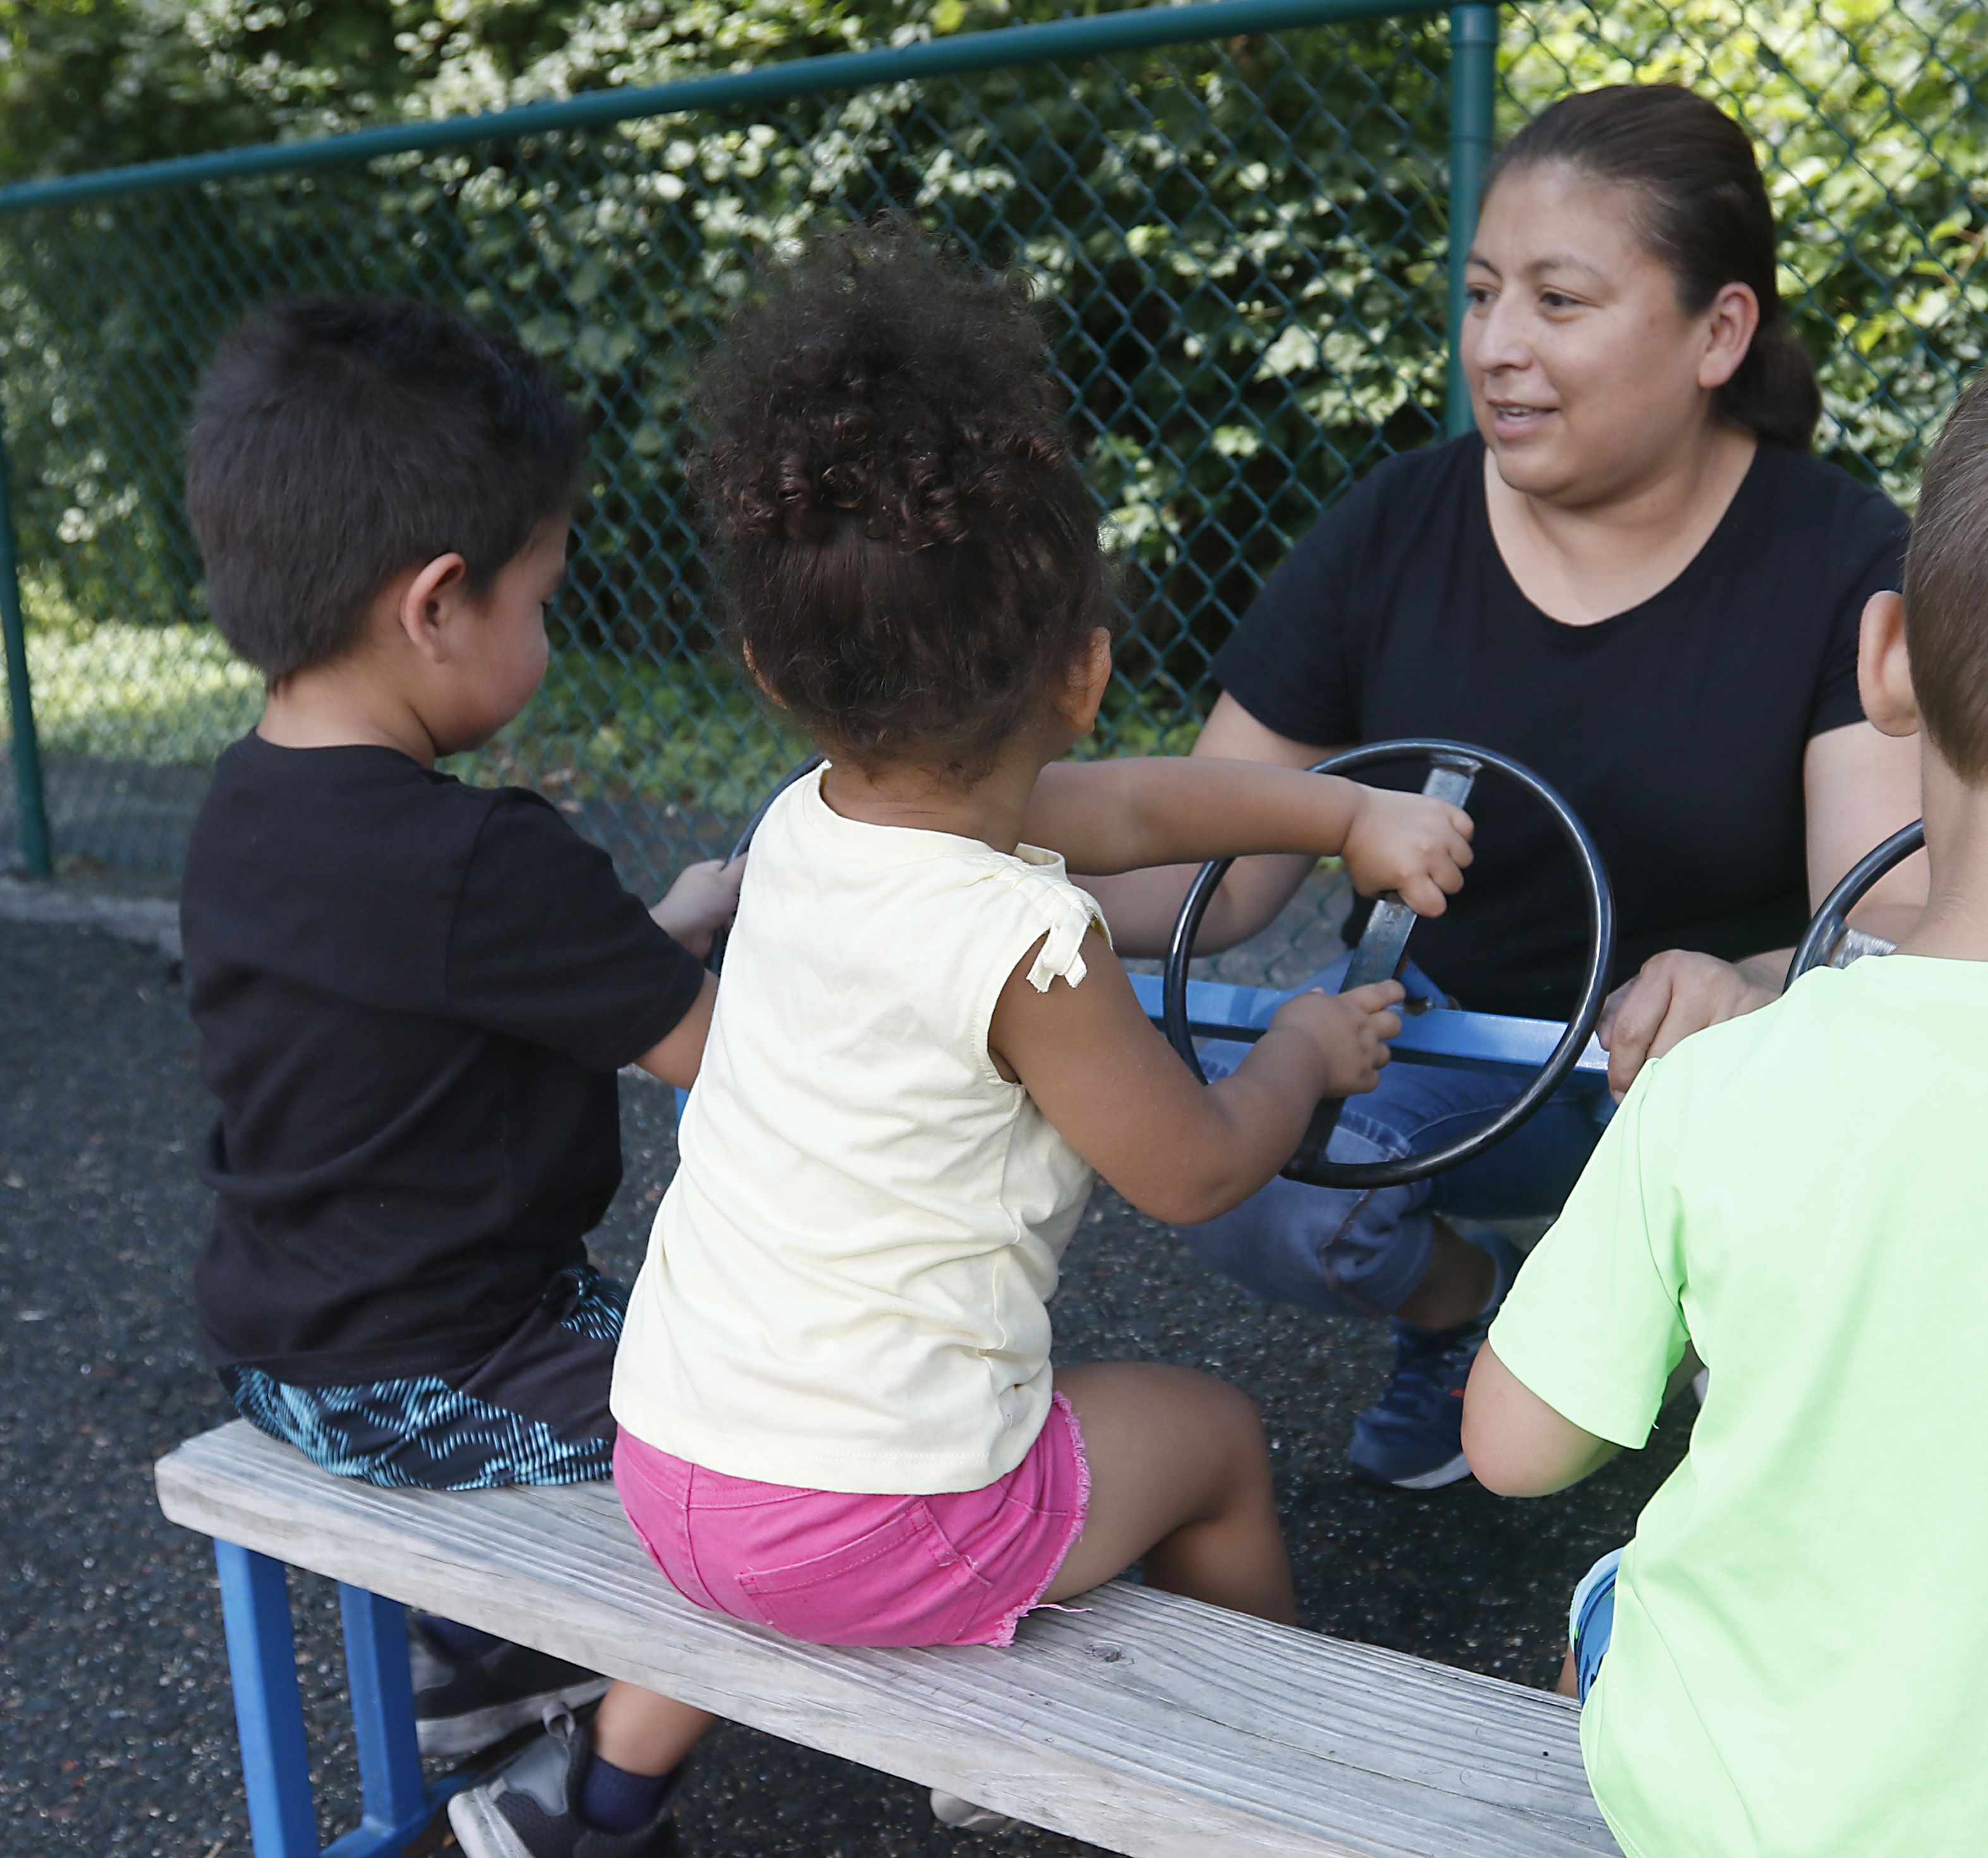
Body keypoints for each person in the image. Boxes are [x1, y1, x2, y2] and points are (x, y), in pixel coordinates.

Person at [451, 222, 1476, 1853]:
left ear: (770, 665)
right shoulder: (1027, 940)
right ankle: (1270, 1782)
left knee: (965, 1411)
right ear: (1085, 668)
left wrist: (1344, 806)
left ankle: (664, 1786)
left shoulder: (803, 821)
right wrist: (1304, 1044)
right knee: (1206, 1433)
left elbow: (1130, 801)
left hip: (675, 1465)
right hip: (867, 1522)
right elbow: (1201, 1167)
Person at [1464, 301, 1988, 1855]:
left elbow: (1513, 1447)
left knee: (1612, 1596)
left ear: (1889, 661)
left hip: (1760, 1821)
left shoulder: (1729, 1086)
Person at [1082, 84, 1925, 1493]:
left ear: (1720, 331)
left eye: (1559, 300)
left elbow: (1890, 919)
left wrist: (1757, 984)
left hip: (1709, 1081)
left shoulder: (1841, 554)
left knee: (1861, 1116)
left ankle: (1735, 1356)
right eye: (1481, 295)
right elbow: (1199, 866)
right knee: (1254, 1170)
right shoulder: (1396, 524)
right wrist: (948, 843)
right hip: (1450, 1069)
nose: (1497, 347)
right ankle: (1467, 1308)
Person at [177, 298, 743, 1853]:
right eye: (542, 598)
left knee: (651, 1357)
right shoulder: (486, 859)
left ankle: (492, 1675)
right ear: (437, 604)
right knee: (782, 1447)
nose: (547, 639)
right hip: (439, 1369)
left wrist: (658, 929)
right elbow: (729, 1066)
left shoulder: (238, 807)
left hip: (280, 1341)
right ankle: (572, 1795)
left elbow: (444, 997)